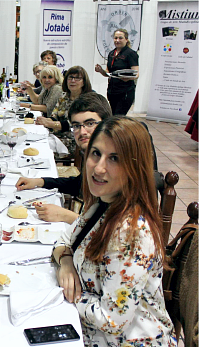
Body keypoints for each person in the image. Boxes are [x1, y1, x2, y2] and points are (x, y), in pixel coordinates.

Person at [51, 117, 175, 346]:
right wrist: (65, 260)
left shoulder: (131, 233)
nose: (99, 168)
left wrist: (63, 288)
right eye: (96, 153)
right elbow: (65, 237)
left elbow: (111, 319)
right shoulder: (104, 202)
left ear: (134, 168)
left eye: (114, 158)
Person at [16, 92, 112, 224]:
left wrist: (67, 216)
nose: (82, 132)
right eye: (77, 126)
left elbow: (112, 230)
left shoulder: (117, 162)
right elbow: (79, 184)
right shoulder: (93, 154)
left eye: (90, 123)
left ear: (106, 123)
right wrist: (40, 182)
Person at [36, 66, 93, 155]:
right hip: (57, 136)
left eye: (77, 78)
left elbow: (74, 125)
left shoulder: (87, 100)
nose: (73, 81)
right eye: (70, 78)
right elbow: (54, 116)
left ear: (84, 82)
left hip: (74, 140)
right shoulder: (64, 97)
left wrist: (50, 124)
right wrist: (43, 120)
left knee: (41, 150)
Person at [95, 28, 139, 116]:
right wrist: (101, 71)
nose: (117, 40)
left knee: (118, 117)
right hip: (112, 91)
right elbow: (108, 73)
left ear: (126, 39)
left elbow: (136, 74)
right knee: (112, 115)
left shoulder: (131, 54)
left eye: (120, 38)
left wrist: (127, 78)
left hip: (125, 92)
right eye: (115, 38)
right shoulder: (111, 53)